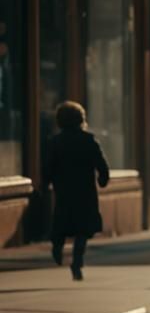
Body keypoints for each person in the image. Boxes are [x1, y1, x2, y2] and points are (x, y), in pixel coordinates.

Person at [42, 101, 110, 280]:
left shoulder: (55, 142)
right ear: (81, 119)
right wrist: (102, 180)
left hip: (64, 191)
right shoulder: (88, 140)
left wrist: (44, 185)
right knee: (83, 229)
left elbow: (48, 167)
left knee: (61, 223)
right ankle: (77, 261)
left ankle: (57, 247)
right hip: (85, 191)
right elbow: (102, 165)